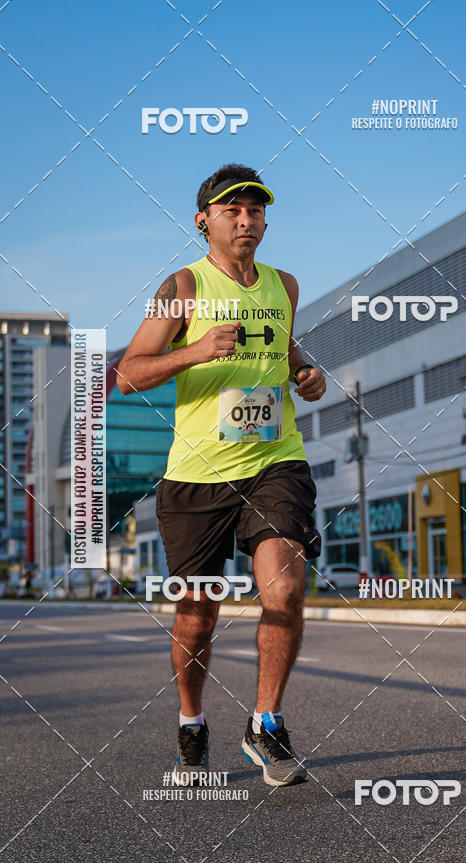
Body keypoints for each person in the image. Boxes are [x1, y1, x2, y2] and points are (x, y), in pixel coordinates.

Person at [116, 163, 326, 787]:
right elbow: (128, 372)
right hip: (196, 475)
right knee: (197, 613)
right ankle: (192, 722)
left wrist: (308, 375)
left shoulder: (283, 287)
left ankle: (265, 724)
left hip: (274, 460)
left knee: (284, 589)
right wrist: (197, 350)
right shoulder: (182, 285)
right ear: (204, 219)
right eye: (232, 210)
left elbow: (288, 355)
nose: (246, 220)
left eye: (255, 210)